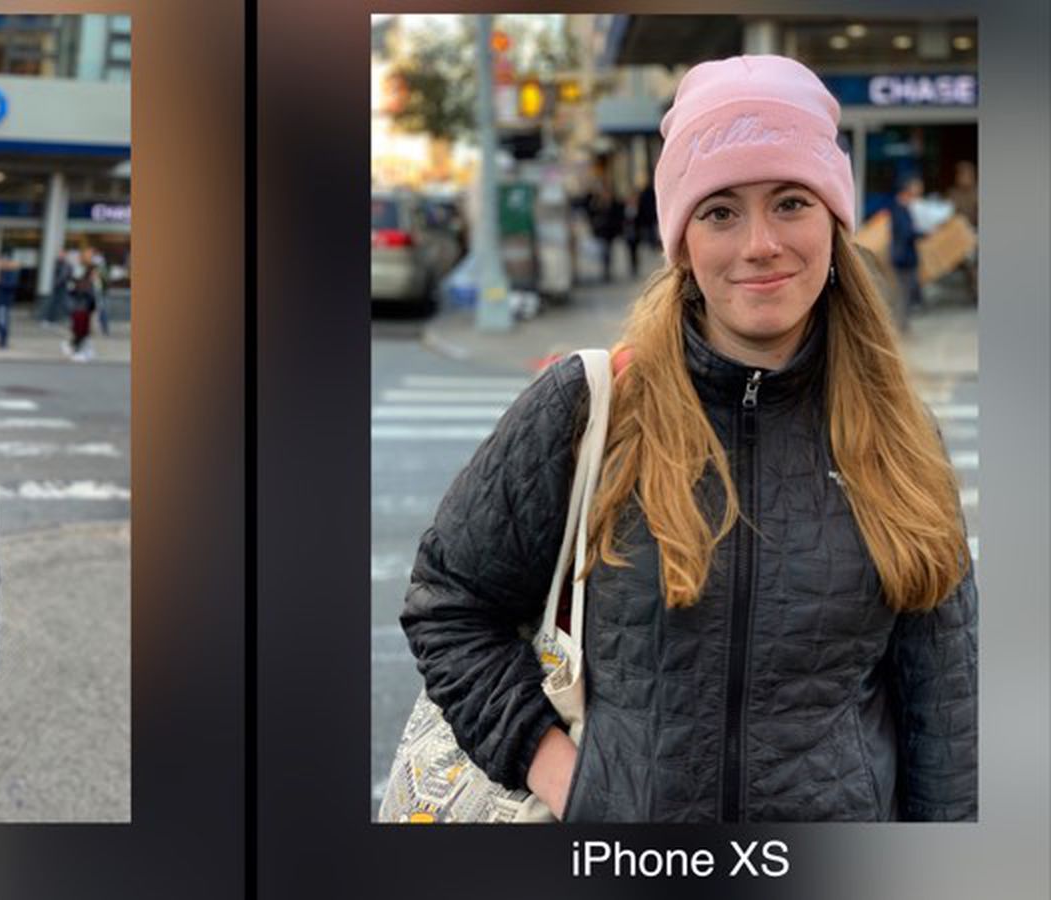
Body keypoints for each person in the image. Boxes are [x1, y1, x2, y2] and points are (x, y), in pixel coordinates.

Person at [402, 55, 976, 823]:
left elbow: (945, 710)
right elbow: (450, 604)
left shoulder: (901, 433)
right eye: (720, 211)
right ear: (682, 243)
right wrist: (565, 776)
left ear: (834, 224)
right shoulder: (588, 408)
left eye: (791, 202)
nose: (761, 243)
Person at [889, 175, 924, 329]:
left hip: (905, 257)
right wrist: (920, 233)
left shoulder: (902, 208)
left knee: (906, 293)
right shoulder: (899, 209)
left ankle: (903, 325)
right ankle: (900, 326)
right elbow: (906, 233)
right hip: (903, 258)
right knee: (903, 294)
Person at [947, 161, 978, 304]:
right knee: (969, 266)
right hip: (960, 236)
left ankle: (977, 292)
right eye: (961, 175)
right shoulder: (953, 194)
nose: (964, 178)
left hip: (975, 232)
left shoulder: (977, 192)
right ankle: (973, 292)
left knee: (976, 265)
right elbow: (948, 214)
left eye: (967, 175)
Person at [65, 247, 101, 361]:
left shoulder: (93, 268)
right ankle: (76, 350)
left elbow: (97, 286)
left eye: (92, 254)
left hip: (90, 302)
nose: (91, 256)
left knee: (86, 328)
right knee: (80, 328)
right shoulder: (79, 268)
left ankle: (83, 350)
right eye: (89, 254)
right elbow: (73, 286)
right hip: (80, 302)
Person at [0, 255, 20, 349]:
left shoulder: (11, 272)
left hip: (4, 302)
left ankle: (4, 342)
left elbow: (11, 285)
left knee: (2, 321)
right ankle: (0, 339)